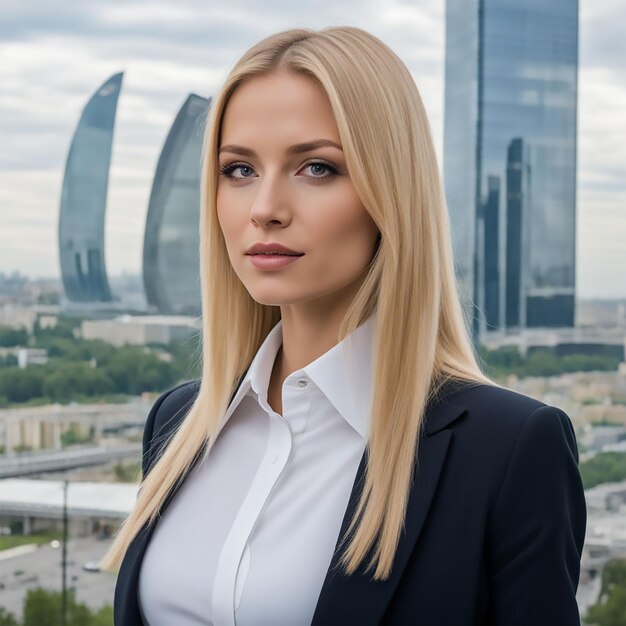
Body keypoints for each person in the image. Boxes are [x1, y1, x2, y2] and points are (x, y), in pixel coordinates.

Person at [100, 26, 586, 625]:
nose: (265, 208)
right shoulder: (177, 424)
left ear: (391, 193)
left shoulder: (507, 450)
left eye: (317, 167)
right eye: (240, 170)